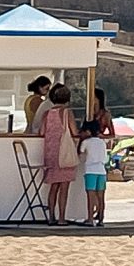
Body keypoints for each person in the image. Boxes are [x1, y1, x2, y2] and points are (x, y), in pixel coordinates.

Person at [39, 83, 79, 223]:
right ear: (67, 99)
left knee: (53, 187)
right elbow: (74, 131)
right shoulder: (67, 113)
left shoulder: (47, 114)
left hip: (51, 152)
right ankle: (62, 217)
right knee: (64, 188)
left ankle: (51, 217)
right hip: (64, 153)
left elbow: (42, 132)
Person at [79, 124, 110, 226]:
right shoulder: (102, 142)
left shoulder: (86, 142)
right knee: (101, 197)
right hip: (101, 170)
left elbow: (80, 152)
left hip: (90, 170)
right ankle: (101, 219)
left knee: (90, 196)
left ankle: (90, 218)